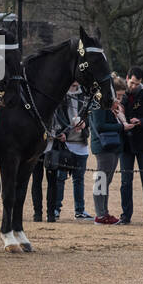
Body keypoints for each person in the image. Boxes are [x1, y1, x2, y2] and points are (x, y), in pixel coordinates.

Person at [118, 66, 143, 225]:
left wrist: (140, 121)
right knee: (125, 181)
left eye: (137, 84)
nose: (134, 86)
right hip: (126, 143)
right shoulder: (120, 93)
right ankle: (126, 215)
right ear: (127, 78)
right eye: (132, 83)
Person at [90, 77, 126, 223]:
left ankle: (104, 212)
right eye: (118, 95)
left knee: (107, 180)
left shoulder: (113, 106)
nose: (120, 98)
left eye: (122, 95)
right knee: (101, 180)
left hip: (113, 145)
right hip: (103, 146)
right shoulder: (99, 104)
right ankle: (100, 214)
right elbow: (99, 126)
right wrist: (122, 126)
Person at [55, 81, 91, 218]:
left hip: (81, 143)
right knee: (61, 178)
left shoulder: (85, 95)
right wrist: (62, 131)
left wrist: (84, 123)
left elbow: (89, 115)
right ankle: (56, 208)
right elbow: (57, 116)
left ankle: (80, 210)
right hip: (65, 143)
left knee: (79, 179)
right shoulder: (60, 94)